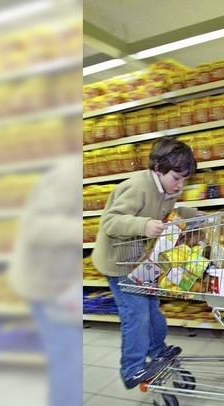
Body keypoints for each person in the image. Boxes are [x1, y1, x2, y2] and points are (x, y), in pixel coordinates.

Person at [92, 136, 202, 389]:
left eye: (185, 179)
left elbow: (169, 215)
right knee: (136, 314)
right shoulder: (137, 187)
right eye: (177, 177)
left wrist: (196, 217)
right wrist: (143, 225)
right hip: (118, 263)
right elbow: (110, 222)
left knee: (152, 308)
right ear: (158, 169)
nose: (180, 185)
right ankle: (132, 368)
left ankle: (157, 349)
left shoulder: (168, 189)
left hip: (140, 260)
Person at [8, 153, 83, 406]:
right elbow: (37, 228)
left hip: (60, 280)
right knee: (67, 359)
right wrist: (82, 230)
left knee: (67, 357)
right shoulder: (69, 173)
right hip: (45, 283)